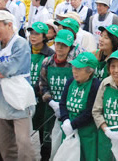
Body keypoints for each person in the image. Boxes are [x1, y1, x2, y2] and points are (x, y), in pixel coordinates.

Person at [0, 10, 36, 160]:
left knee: (23, 142)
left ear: (9, 25)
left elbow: (12, 67)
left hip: (19, 97)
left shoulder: (20, 44)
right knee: (5, 144)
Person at [39, 29, 76, 159]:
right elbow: (42, 85)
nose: (60, 48)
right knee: (47, 141)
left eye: (64, 45)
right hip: (51, 108)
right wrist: (51, 102)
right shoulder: (47, 62)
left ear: (70, 47)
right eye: (58, 44)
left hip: (69, 109)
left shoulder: (74, 65)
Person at [59, 52, 100, 160]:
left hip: (86, 132)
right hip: (69, 129)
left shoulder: (95, 85)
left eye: (79, 69)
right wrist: (66, 120)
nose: (74, 71)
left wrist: (73, 125)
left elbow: (90, 111)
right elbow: (62, 103)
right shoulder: (70, 82)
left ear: (89, 71)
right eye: (74, 67)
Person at [26, 22, 55, 143]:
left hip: (41, 98)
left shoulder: (50, 54)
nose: (33, 36)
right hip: (25, 96)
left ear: (44, 37)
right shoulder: (25, 50)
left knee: (43, 130)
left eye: (37, 34)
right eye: (31, 33)